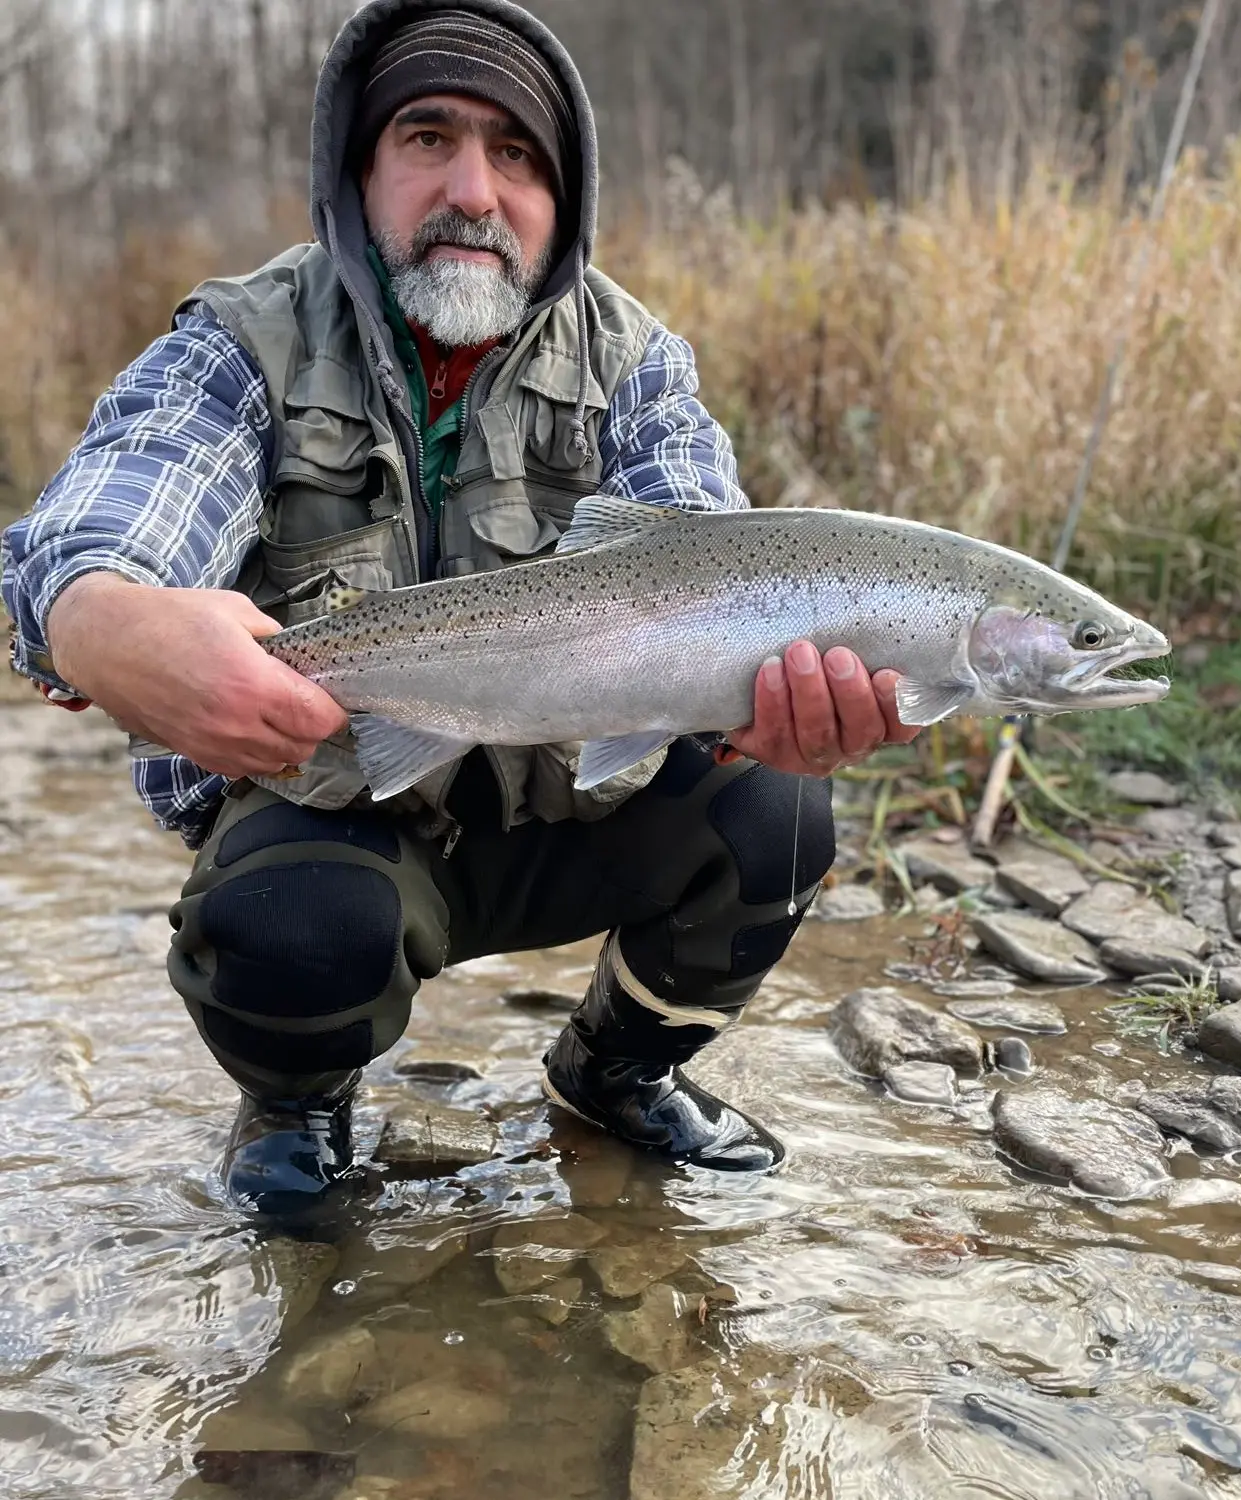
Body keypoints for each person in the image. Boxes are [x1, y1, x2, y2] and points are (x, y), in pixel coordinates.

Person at [0, 0, 918, 1218]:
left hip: (573, 806)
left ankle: (615, 1073)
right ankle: (296, 1099)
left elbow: (711, 554)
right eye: (428, 138)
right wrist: (102, 620)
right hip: (347, 818)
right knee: (290, 922)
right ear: (359, 171)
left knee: (781, 813)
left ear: (561, 197)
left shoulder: (633, 366)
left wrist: (769, 707)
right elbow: (115, 515)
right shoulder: (242, 345)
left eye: (517, 155)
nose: (474, 189)